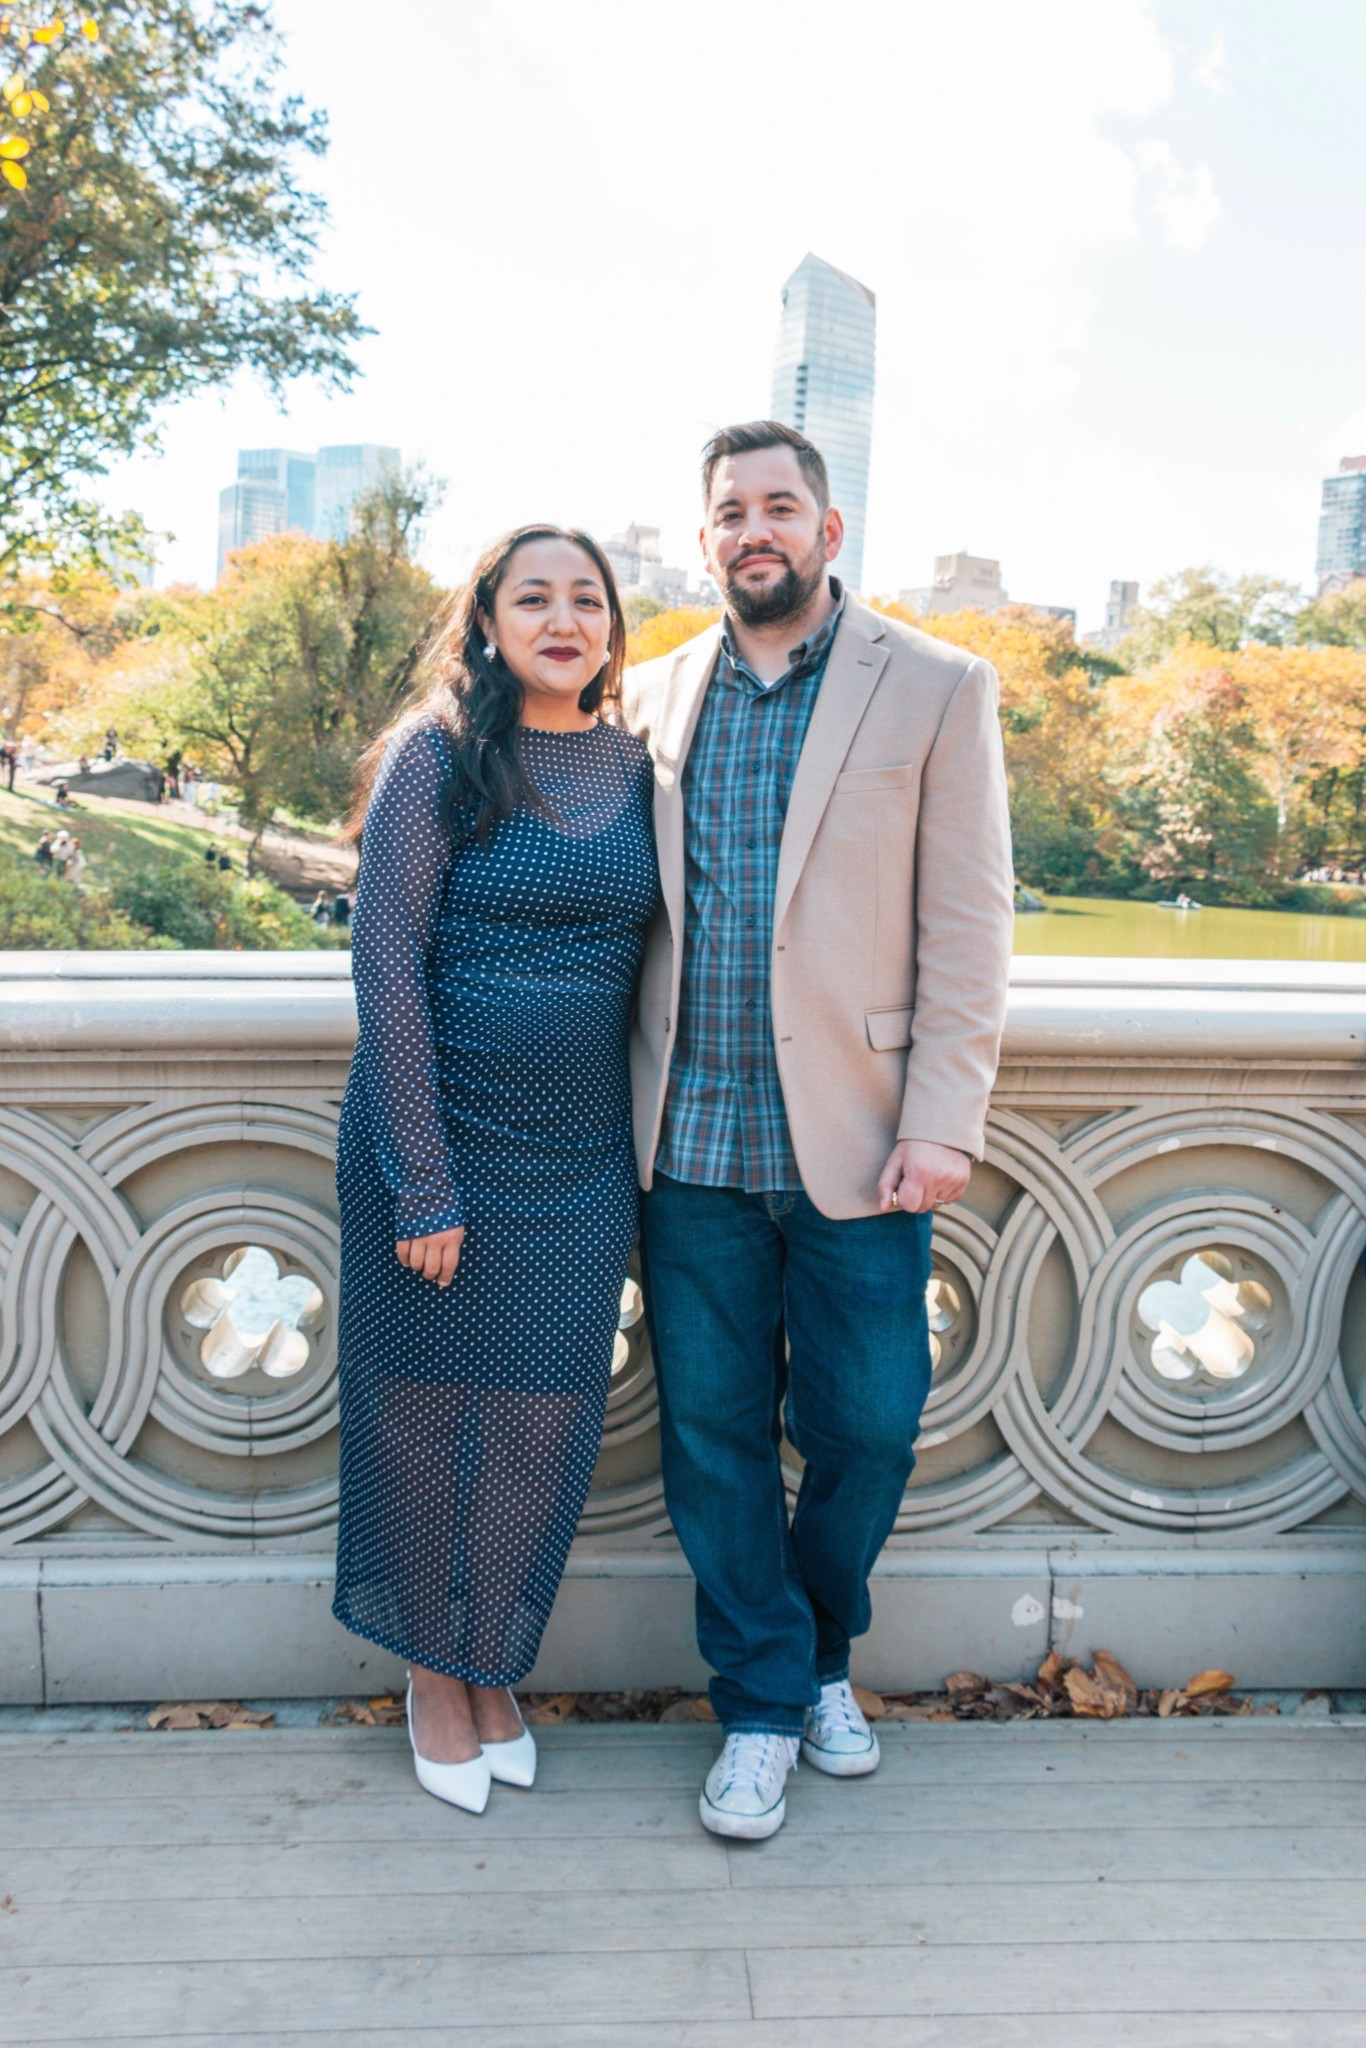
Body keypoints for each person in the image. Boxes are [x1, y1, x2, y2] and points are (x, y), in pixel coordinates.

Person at [623, 422, 1014, 1841]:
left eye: (779, 506)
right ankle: (760, 1703)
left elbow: (969, 922)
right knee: (710, 1439)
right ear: (706, 538)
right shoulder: (647, 695)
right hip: (688, 1146)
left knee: (867, 1427)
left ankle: (821, 1654)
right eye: (730, 511)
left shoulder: (937, 685)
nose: (754, 530)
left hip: (863, 1140)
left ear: (828, 530)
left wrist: (944, 1117)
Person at [332, 524, 657, 1818]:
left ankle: (489, 1662)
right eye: (534, 598)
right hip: (437, 1146)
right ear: (488, 622)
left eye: (587, 599)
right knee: (423, 1424)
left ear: (612, 628)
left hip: (579, 1163)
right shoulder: (435, 757)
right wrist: (423, 1179)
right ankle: (433, 1675)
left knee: (539, 1425)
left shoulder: (638, 767)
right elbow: (385, 961)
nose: (563, 620)